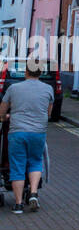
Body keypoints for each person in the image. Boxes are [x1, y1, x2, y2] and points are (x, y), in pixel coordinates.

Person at [0, 60, 54, 213]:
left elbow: (1, 112)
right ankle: (33, 193)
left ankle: (17, 205)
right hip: (38, 132)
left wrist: (6, 116)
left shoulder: (13, 88)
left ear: (26, 72)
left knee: (17, 165)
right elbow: (48, 113)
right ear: (41, 72)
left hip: (17, 132)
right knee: (36, 162)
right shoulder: (48, 89)